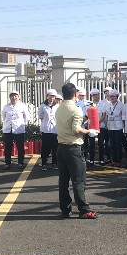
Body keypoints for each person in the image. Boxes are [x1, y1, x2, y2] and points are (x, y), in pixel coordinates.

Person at [55, 83, 97, 219]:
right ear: (75, 94)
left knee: (63, 181)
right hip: (73, 148)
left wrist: (85, 118)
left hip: (61, 147)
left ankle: (65, 209)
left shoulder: (59, 108)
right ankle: (84, 210)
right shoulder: (76, 109)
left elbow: (70, 123)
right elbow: (76, 129)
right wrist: (89, 131)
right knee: (79, 180)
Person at [1, 90, 30, 169]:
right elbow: (3, 117)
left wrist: (23, 124)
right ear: (10, 97)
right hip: (8, 129)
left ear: (18, 97)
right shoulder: (6, 106)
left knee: (20, 147)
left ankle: (20, 162)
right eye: (12, 96)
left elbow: (26, 117)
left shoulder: (22, 106)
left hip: (19, 129)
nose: (14, 97)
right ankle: (7, 163)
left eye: (15, 96)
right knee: (8, 147)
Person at [38, 89, 60, 171]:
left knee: (55, 148)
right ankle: (44, 163)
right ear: (47, 96)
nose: (52, 98)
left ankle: (54, 163)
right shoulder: (42, 106)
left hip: (55, 129)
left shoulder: (57, 106)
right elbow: (40, 116)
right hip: (46, 130)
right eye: (50, 96)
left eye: (53, 96)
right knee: (45, 147)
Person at [106, 89, 124, 167]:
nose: (112, 98)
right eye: (110, 96)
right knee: (112, 144)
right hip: (110, 126)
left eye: (114, 96)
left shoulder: (121, 105)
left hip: (118, 127)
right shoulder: (108, 104)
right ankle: (113, 160)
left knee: (118, 144)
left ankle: (118, 161)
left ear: (117, 96)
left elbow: (123, 116)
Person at [84, 88, 102, 165]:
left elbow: (104, 114)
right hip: (91, 127)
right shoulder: (89, 105)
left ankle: (101, 159)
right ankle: (91, 159)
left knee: (101, 143)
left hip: (101, 126)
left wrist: (98, 122)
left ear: (99, 95)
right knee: (91, 144)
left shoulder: (102, 104)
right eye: (93, 95)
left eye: (96, 95)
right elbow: (87, 115)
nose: (94, 96)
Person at [97, 87, 111, 165]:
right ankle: (101, 159)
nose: (107, 94)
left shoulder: (116, 102)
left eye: (108, 92)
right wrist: (98, 122)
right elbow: (101, 114)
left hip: (111, 126)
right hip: (102, 125)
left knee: (108, 143)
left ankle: (109, 158)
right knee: (101, 143)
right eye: (105, 92)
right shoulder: (101, 102)